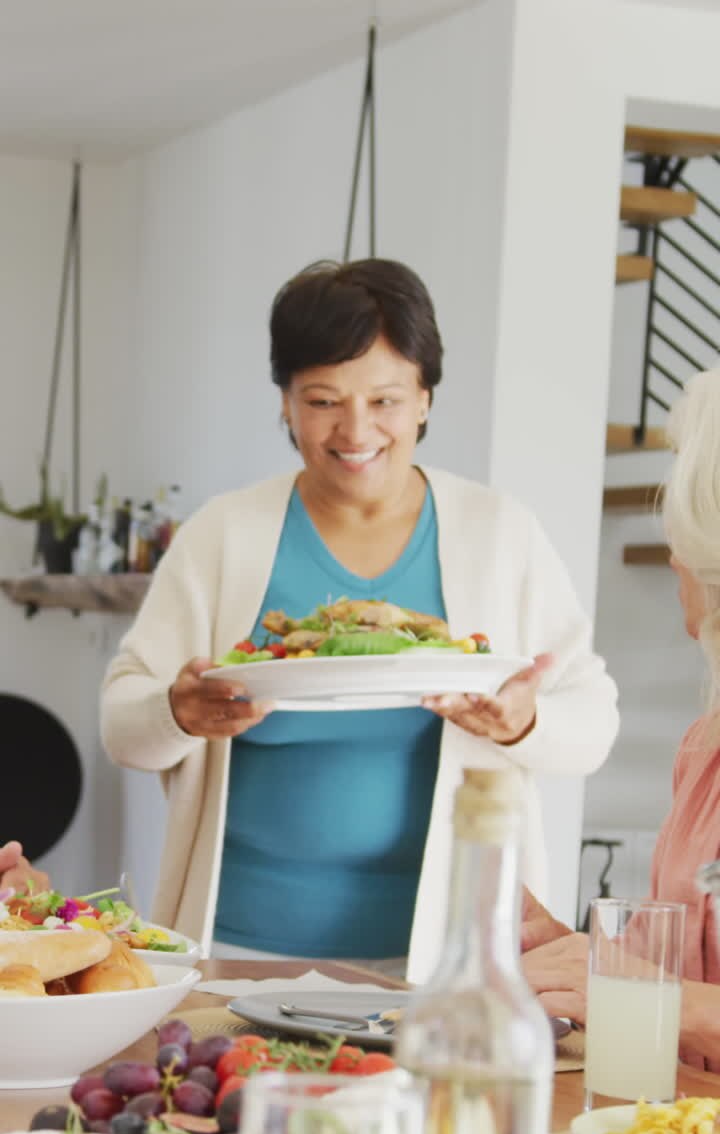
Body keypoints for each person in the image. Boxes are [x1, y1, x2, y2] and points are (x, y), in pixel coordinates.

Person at [100, 258, 619, 983]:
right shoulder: (226, 534)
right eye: (322, 400)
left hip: (447, 957)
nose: (356, 430)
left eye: (386, 399)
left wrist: (521, 723)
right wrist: (178, 712)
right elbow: (124, 725)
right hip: (237, 948)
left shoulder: (499, 532)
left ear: (425, 399)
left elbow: (592, 724)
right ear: (284, 402)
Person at [523, 365, 720, 1071]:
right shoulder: (704, 750)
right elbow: (672, 965)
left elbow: (659, 995)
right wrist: (568, 950)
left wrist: (636, 991)